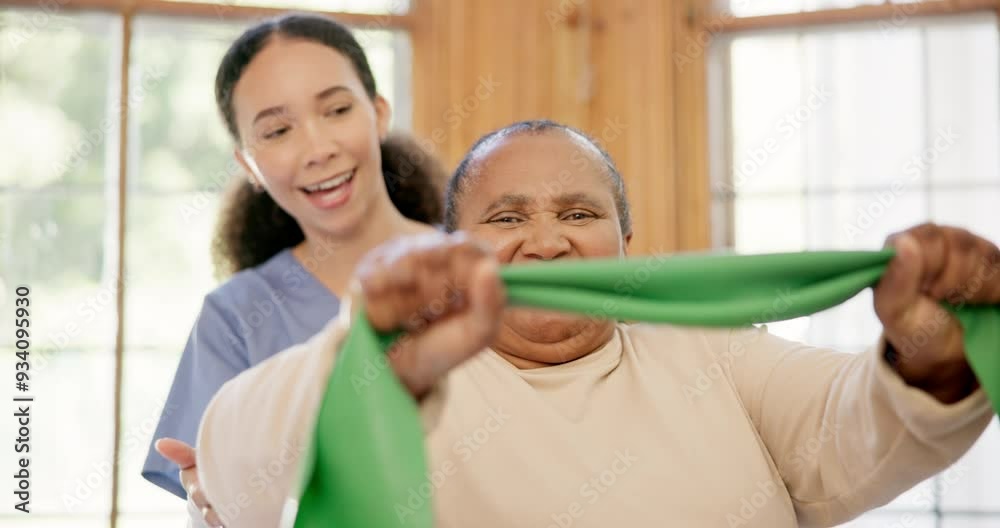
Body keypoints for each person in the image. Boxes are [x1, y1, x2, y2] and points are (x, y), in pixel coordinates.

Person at [193, 120, 999, 527]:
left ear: (625, 243)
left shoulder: (712, 350)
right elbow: (247, 451)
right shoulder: (401, 369)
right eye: (506, 217)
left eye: (578, 212)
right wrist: (372, 356)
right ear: (451, 250)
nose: (547, 242)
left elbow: (849, 427)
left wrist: (927, 346)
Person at [141, 12, 448, 523]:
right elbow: (211, 493)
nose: (317, 149)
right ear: (248, 166)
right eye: (278, 130)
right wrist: (215, 502)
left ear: (378, 114)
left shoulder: (479, 272)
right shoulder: (235, 318)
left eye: (337, 109)